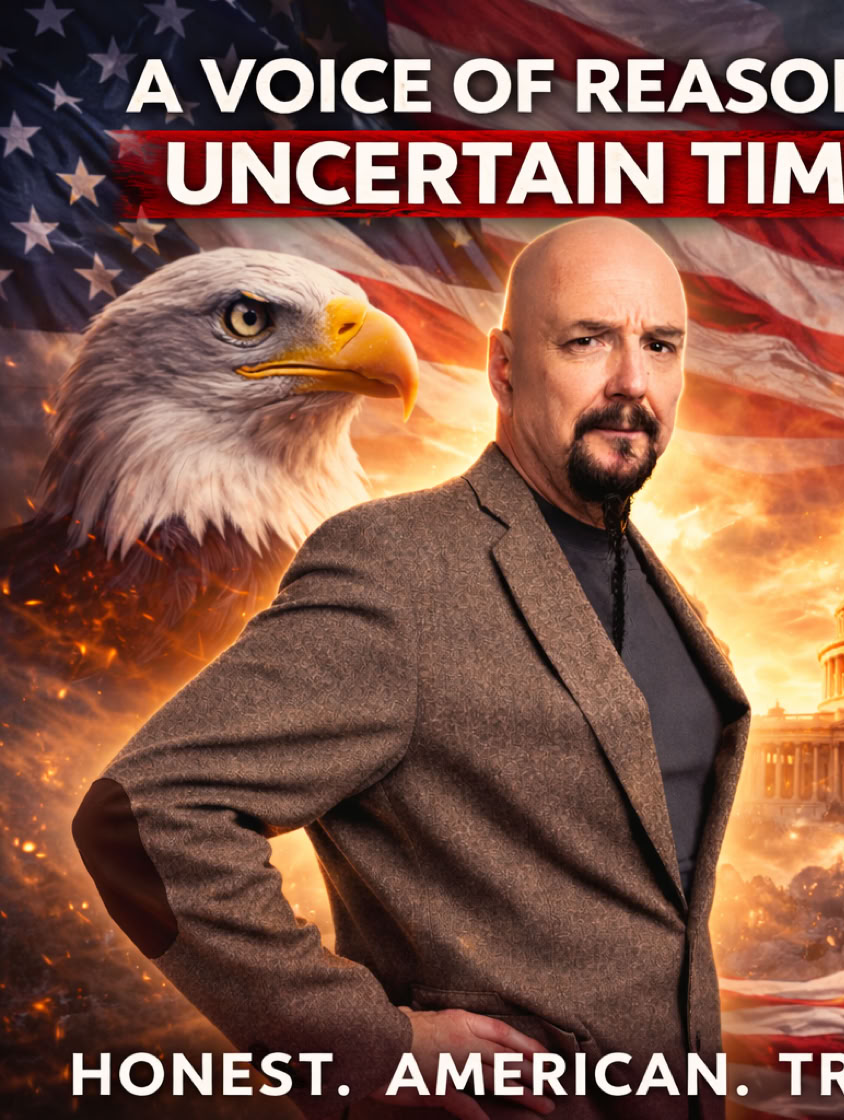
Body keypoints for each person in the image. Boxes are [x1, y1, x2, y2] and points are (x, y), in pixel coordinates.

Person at [72, 217, 751, 1120]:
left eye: (659, 346)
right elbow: (143, 818)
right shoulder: (396, 564)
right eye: (587, 340)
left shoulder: (663, 590)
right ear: (503, 367)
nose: (631, 382)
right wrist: (366, 1048)